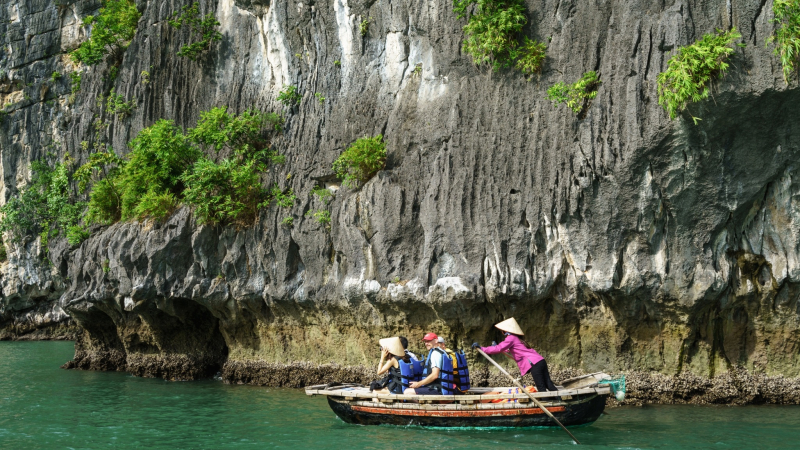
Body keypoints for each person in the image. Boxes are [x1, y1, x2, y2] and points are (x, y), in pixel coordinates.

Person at [473, 318, 558, 392]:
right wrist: (495, 347)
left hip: (534, 363)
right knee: (548, 384)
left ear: (505, 331)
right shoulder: (517, 338)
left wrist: (482, 348)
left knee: (541, 386)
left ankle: (545, 402)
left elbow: (499, 348)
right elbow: (505, 349)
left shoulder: (511, 338)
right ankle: (558, 399)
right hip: (540, 361)